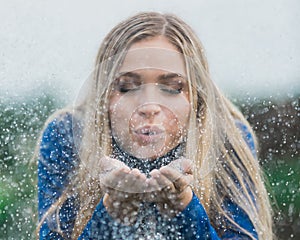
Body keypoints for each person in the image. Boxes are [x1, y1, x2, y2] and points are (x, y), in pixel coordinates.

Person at [37, 12, 273, 239]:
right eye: (127, 87)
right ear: (104, 97)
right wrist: (111, 212)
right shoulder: (68, 134)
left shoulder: (227, 138)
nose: (150, 106)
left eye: (172, 88)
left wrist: (185, 208)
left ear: (197, 99)